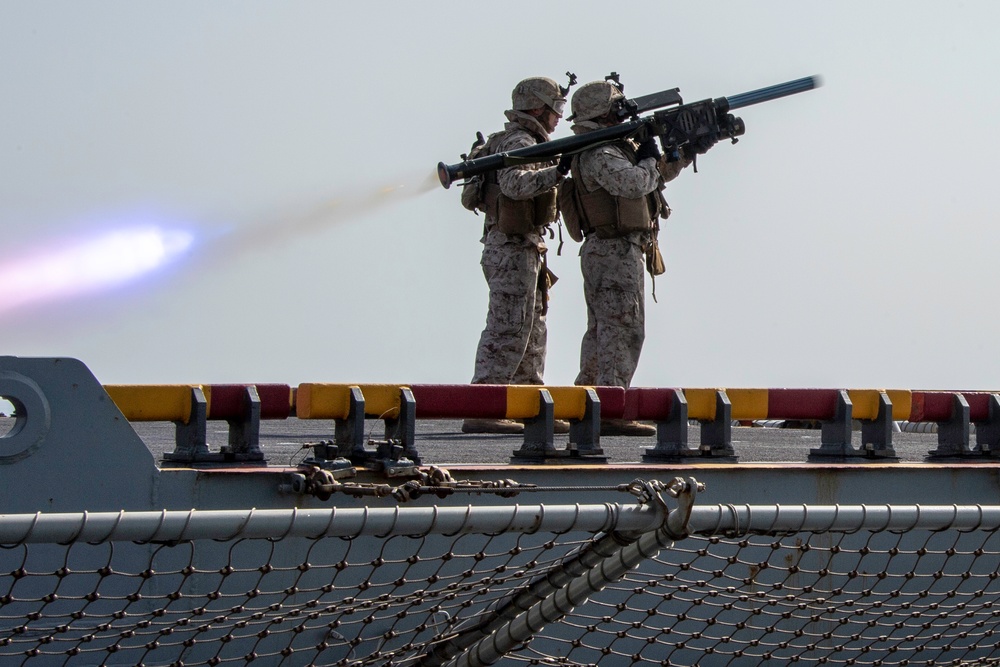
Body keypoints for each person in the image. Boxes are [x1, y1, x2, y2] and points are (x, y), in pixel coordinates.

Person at [565, 79, 699, 436]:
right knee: (622, 330)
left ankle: (589, 403)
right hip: (613, 249)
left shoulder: (611, 148)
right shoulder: (598, 152)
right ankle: (608, 409)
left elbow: (652, 179)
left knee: (604, 331)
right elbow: (634, 183)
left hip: (615, 250)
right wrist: (651, 156)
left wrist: (683, 154)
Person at [462, 77, 571, 435]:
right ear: (539, 108)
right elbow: (514, 185)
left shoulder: (514, 140)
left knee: (532, 328)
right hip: (510, 247)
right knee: (509, 326)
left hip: (522, 246)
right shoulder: (520, 142)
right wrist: (556, 173)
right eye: (555, 109)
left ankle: (526, 402)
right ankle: (484, 404)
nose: (558, 117)